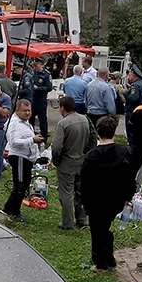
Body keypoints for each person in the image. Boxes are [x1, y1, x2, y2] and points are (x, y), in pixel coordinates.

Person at [81, 116, 136, 271]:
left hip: (96, 200)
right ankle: (109, 258)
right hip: (115, 199)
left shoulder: (92, 156)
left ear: (98, 131)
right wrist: (128, 195)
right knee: (104, 228)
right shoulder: (124, 152)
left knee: (97, 231)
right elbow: (129, 176)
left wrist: (84, 200)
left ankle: (100, 262)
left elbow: (85, 181)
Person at [51, 95, 92, 229]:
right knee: (80, 192)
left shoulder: (63, 123)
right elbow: (92, 139)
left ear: (62, 108)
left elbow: (57, 146)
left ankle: (67, 222)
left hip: (67, 163)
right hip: (82, 161)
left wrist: (56, 161)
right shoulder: (85, 119)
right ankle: (82, 220)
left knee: (66, 193)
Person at [2, 100, 42, 223]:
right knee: (20, 185)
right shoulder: (14, 124)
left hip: (27, 158)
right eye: (24, 111)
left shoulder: (25, 122)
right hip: (18, 157)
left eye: (29, 110)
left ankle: (8, 208)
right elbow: (14, 142)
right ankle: (15, 212)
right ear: (17, 110)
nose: (27, 113)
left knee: (24, 185)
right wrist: (32, 140)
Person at [21, 57, 53, 137]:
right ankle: (31, 135)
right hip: (32, 99)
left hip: (41, 99)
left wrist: (38, 88)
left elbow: (49, 87)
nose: (35, 67)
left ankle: (44, 136)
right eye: (34, 66)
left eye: (36, 65)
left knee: (42, 119)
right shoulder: (32, 73)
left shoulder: (46, 74)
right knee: (30, 118)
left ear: (41, 64)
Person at [122, 66, 142, 146]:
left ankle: (131, 149)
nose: (128, 77)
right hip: (141, 111)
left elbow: (133, 99)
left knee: (131, 133)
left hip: (132, 111)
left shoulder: (135, 86)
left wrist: (125, 92)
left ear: (133, 75)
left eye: (129, 75)